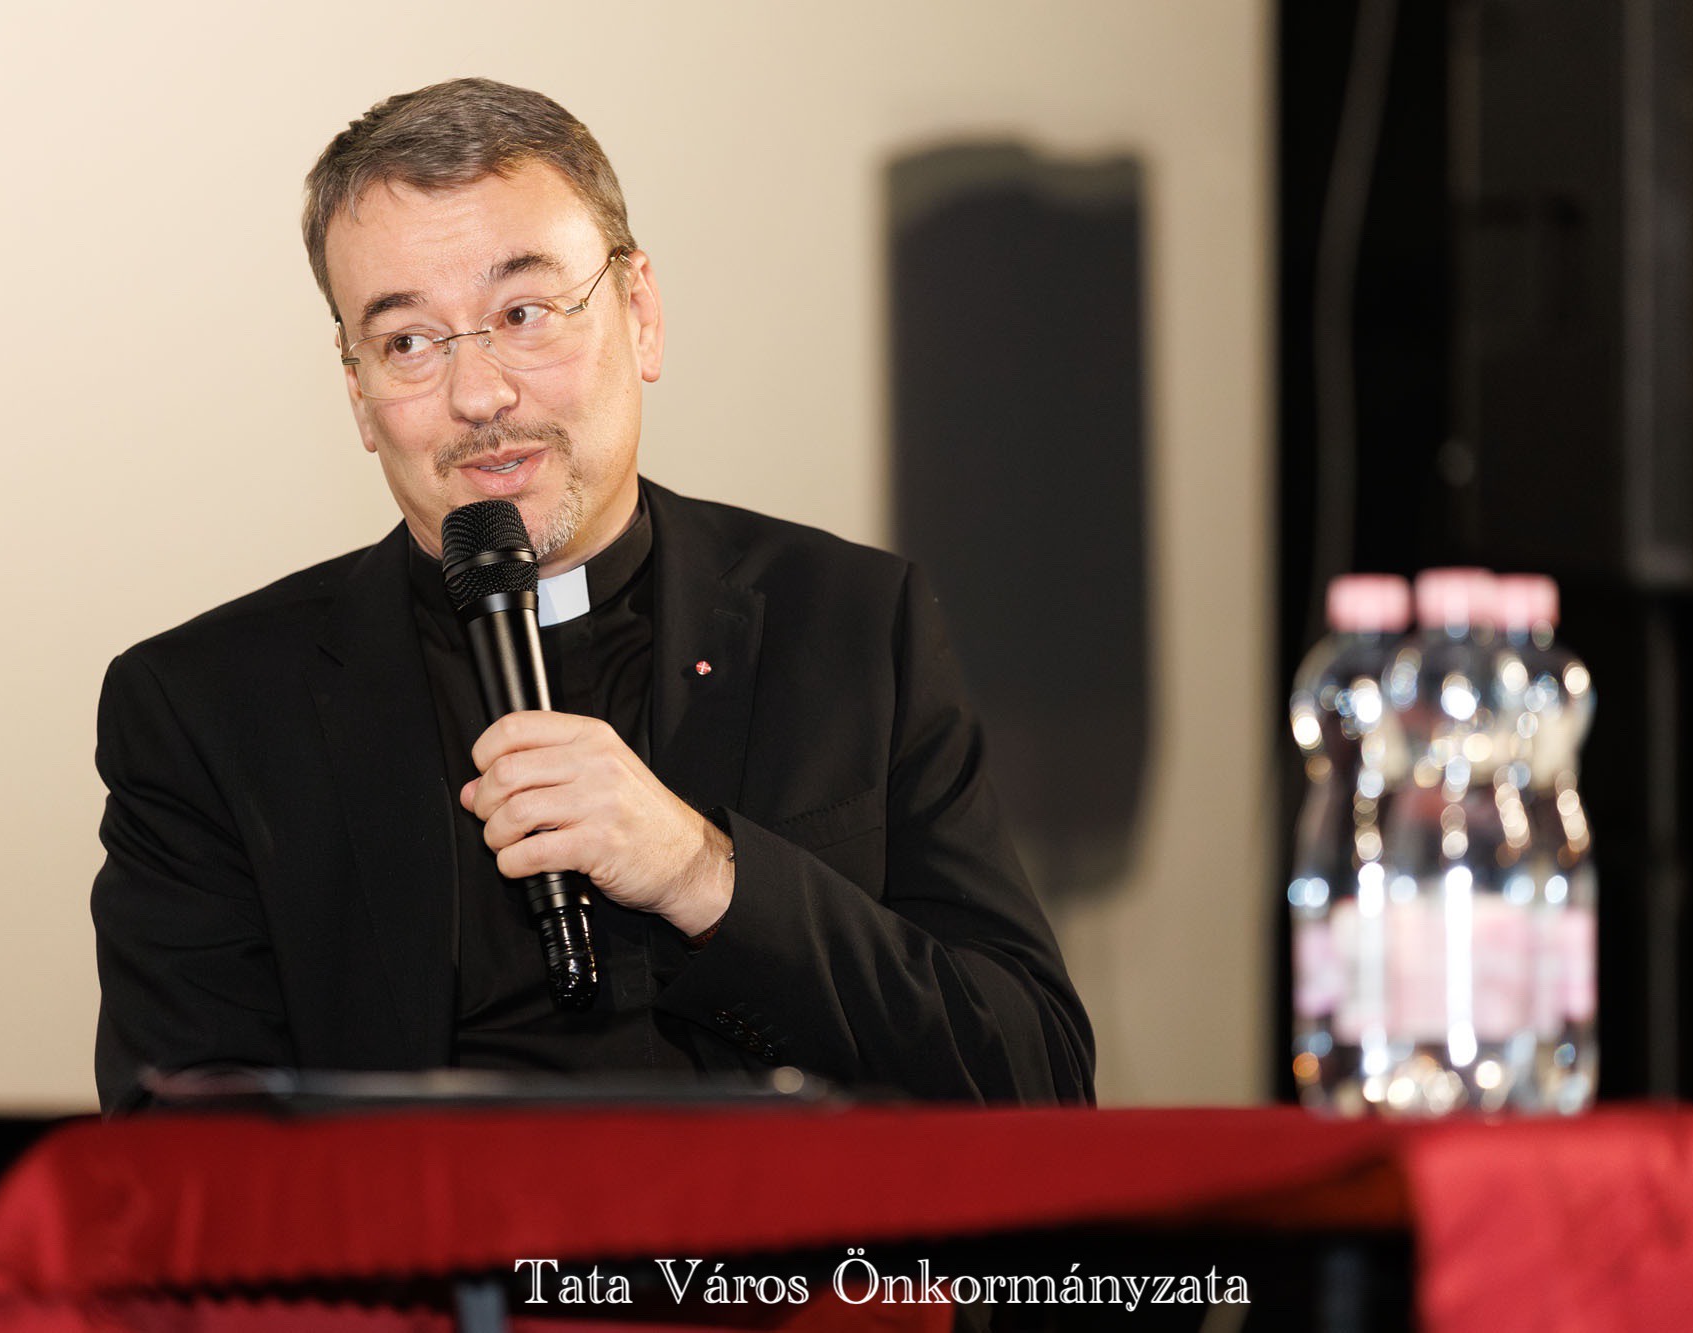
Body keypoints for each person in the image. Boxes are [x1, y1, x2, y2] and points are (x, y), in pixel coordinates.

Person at [90, 77, 1093, 1112]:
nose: (478, 397)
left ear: (640, 314)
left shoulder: (849, 625)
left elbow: (1037, 1082)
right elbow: (184, 1160)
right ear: (358, 391)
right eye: (408, 342)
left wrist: (703, 872)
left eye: (523, 314)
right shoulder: (207, 709)